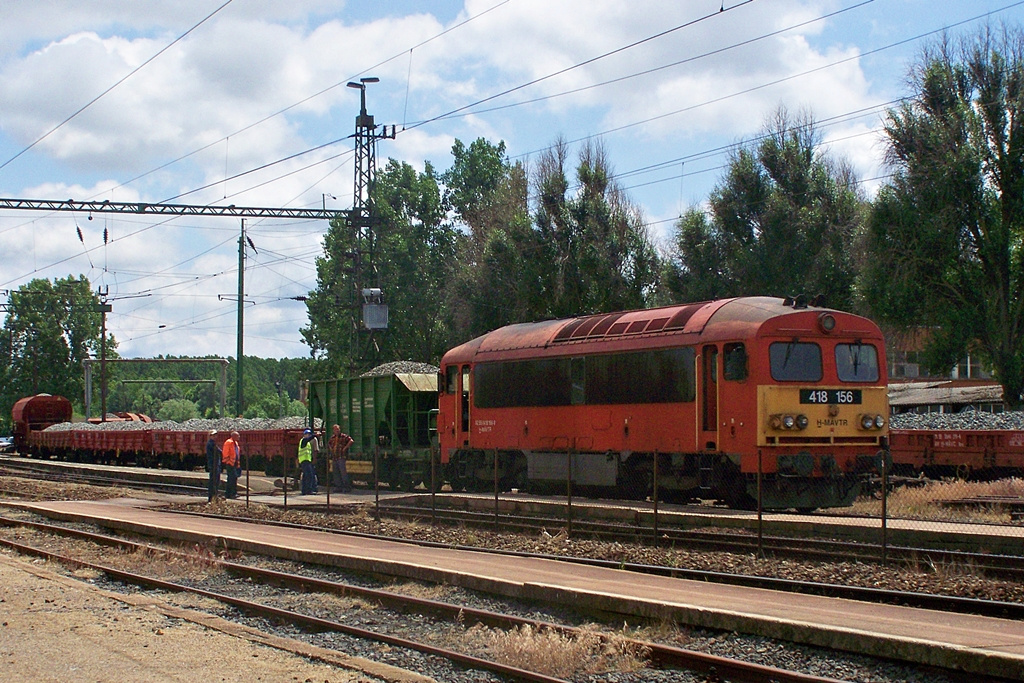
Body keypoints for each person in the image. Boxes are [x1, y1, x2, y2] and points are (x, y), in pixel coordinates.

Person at [328, 424, 354, 493]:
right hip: (335, 457)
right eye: (335, 429)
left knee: (343, 473)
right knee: (336, 473)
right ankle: (338, 487)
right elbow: (329, 444)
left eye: (338, 429)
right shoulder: (333, 438)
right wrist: (331, 449)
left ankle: (346, 487)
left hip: (341, 457)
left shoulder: (343, 436)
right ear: (333, 430)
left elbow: (351, 440)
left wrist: (345, 448)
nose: (337, 431)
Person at [298, 427, 319, 495]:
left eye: (309, 434)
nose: (308, 435)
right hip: (305, 461)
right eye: (307, 434)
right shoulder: (303, 441)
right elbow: (309, 439)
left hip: (306, 460)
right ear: (304, 435)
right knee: (309, 476)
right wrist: (315, 435)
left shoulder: (307, 443)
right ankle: (309, 490)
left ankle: (304, 490)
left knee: (305, 476)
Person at [222, 431, 241, 499]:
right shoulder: (229, 442)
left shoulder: (235, 443)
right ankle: (229, 494)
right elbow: (225, 453)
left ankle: (232, 493)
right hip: (230, 463)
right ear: (233, 436)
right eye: (237, 436)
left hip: (234, 463)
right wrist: (228, 461)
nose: (239, 437)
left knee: (234, 478)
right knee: (231, 479)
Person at [205, 430, 220, 502]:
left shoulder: (214, 443)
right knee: (213, 481)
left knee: (216, 481)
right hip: (213, 464)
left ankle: (214, 496)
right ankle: (211, 497)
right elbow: (217, 452)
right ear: (210, 436)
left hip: (216, 464)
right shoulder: (210, 444)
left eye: (215, 435)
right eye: (213, 435)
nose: (215, 437)